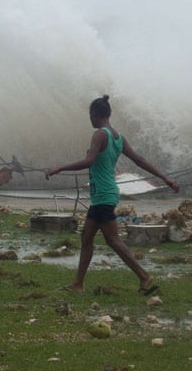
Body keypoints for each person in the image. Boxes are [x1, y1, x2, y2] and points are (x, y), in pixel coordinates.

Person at [45, 94, 179, 295]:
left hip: (103, 195)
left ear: (95, 114)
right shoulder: (118, 137)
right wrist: (165, 178)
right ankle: (78, 284)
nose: (89, 119)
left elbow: (89, 160)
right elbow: (139, 160)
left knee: (113, 240)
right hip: (105, 193)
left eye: (90, 115)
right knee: (87, 238)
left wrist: (59, 168)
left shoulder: (100, 135)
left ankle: (143, 276)